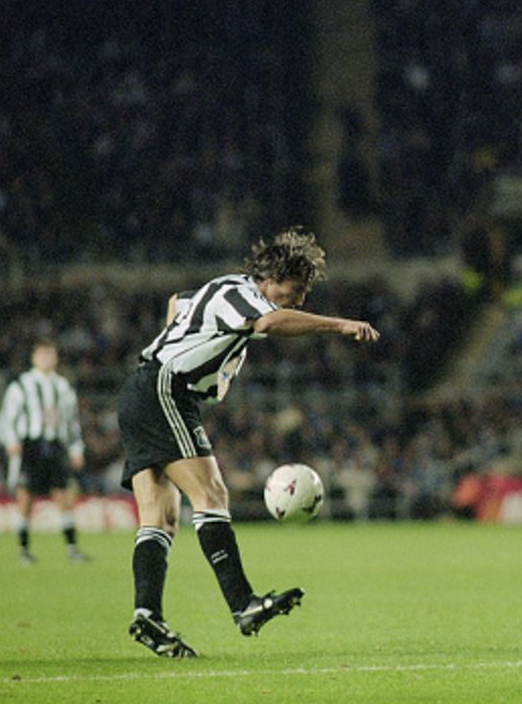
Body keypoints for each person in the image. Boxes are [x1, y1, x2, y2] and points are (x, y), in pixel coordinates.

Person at [119, 228, 379, 658]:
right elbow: (270, 322)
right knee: (212, 493)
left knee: (160, 517)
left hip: (142, 388)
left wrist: (178, 340)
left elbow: (176, 303)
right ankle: (242, 604)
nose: (297, 302)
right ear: (270, 278)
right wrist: (339, 324)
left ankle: (148, 615)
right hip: (165, 389)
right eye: (294, 292)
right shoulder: (243, 295)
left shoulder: (220, 289)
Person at [0, 339, 88, 565]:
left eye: (50, 354)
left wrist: (76, 449)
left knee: (63, 496)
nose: (47, 358)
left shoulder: (63, 387)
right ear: (34, 358)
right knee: (25, 497)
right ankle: (24, 550)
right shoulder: (22, 385)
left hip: (56, 444)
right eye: (42, 354)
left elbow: (72, 422)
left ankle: (72, 548)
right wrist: (10, 440)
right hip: (30, 445)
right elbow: (7, 417)